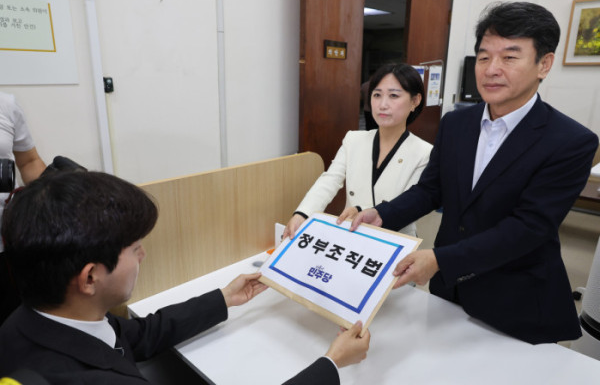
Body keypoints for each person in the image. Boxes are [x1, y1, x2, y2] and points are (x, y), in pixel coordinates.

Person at [344, 2, 599, 345]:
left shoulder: (571, 141)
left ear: (544, 64)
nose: (491, 69)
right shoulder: (456, 123)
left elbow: (529, 228)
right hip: (449, 292)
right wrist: (382, 213)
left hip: (516, 300)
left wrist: (440, 259)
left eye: (509, 57)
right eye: (483, 57)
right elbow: (431, 190)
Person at [0, 171, 369, 384]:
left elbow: (141, 335)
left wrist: (224, 297)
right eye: (134, 248)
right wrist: (331, 364)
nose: (143, 255)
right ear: (90, 278)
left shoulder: (34, 321)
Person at [284, 63, 432, 239]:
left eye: (393, 95)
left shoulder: (425, 152)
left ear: (415, 101)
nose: (383, 104)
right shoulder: (353, 140)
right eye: (377, 95)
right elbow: (329, 181)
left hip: (394, 239)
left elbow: (408, 204)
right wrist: (302, 213)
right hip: (351, 234)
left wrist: (362, 210)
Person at [0, 91, 46, 324]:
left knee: (12, 322)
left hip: (7, 244)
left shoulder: (6, 104)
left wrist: (56, 195)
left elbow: (29, 162)